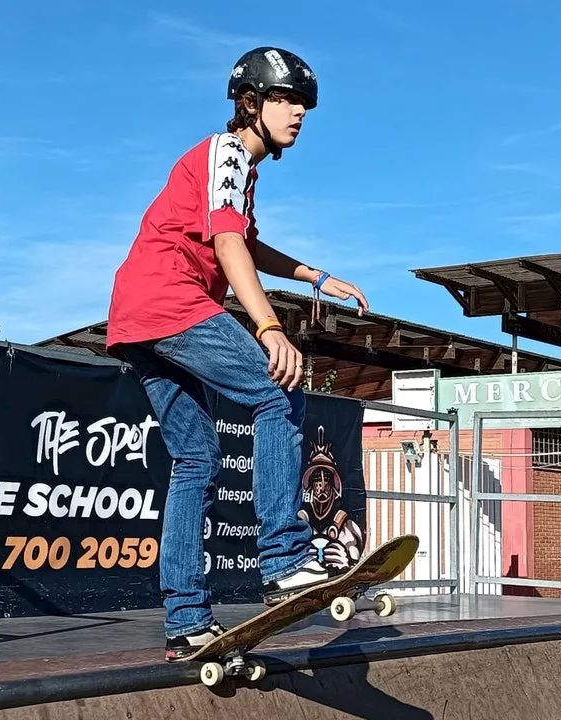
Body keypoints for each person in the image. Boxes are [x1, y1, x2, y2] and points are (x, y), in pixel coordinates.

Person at [104, 46, 370, 661]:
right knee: (279, 388)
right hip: (172, 300)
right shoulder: (226, 152)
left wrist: (313, 275)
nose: (297, 113)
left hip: (134, 315)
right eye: (284, 100)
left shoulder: (234, 171)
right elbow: (228, 244)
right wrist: (269, 327)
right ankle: (283, 555)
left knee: (195, 457)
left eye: (304, 104)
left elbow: (247, 241)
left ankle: (185, 618)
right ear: (250, 104)